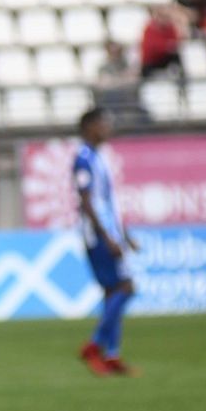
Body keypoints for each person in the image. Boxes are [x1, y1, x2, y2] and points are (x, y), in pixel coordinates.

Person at [73, 108, 139, 377]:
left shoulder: (98, 157)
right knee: (125, 287)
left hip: (109, 232)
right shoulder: (83, 158)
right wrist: (108, 236)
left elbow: (107, 203)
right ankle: (95, 345)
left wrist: (124, 234)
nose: (107, 128)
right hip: (98, 236)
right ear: (89, 127)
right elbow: (87, 201)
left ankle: (112, 355)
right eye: (103, 123)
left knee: (113, 292)